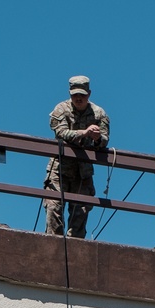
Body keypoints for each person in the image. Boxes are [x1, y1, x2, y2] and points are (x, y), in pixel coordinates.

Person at [44, 77, 110, 239]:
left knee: (80, 211)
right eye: (75, 95)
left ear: (89, 94)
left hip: (83, 171)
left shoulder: (99, 113)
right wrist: (85, 133)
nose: (78, 98)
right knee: (54, 207)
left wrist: (97, 139)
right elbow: (61, 133)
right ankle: (53, 242)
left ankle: (76, 246)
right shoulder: (61, 109)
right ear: (69, 94)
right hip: (60, 168)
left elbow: (105, 139)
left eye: (82, 95)